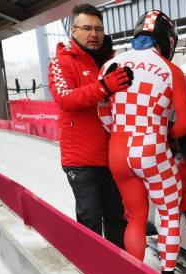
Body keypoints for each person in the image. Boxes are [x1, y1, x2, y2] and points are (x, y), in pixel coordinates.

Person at [97, 10, 186, 274]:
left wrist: (120, 132)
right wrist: (163, 133)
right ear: (168, 40)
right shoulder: (172, 70)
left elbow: (102, 112)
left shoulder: (109, 65)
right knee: (167, 210)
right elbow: (185, 124)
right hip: (151, 148)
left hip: (118, 150)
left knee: (136, 217)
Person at [48, 3, 129, 249]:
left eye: (98, 29)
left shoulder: (111, 61)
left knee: (116, 217)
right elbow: (65, 98)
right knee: (90, 220)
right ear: (74, 31)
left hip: (112, 157)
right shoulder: (61, 62)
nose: (93, 34)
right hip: (80, 161)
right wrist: (104, 87)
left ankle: (121, 268)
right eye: (87, 28)